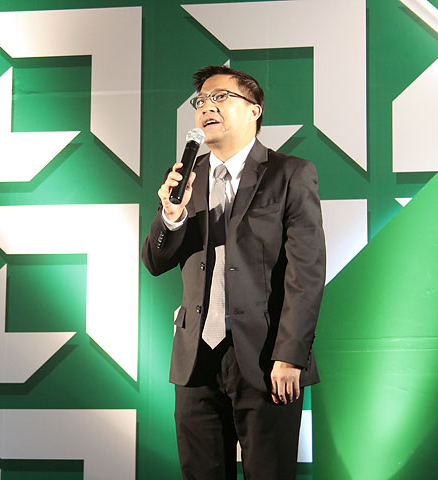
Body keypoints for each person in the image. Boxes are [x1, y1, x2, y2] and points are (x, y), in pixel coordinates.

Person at [141, 65, 326, 479]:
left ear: (254, 110)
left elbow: (307, 272)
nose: (207, 107)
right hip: (195, 359)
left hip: (267, 358)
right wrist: (171, 216)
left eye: (221, 97)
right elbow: (155, 261)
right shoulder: (185, 178)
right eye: (201, 101)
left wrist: (290, 355)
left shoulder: (290, 173)